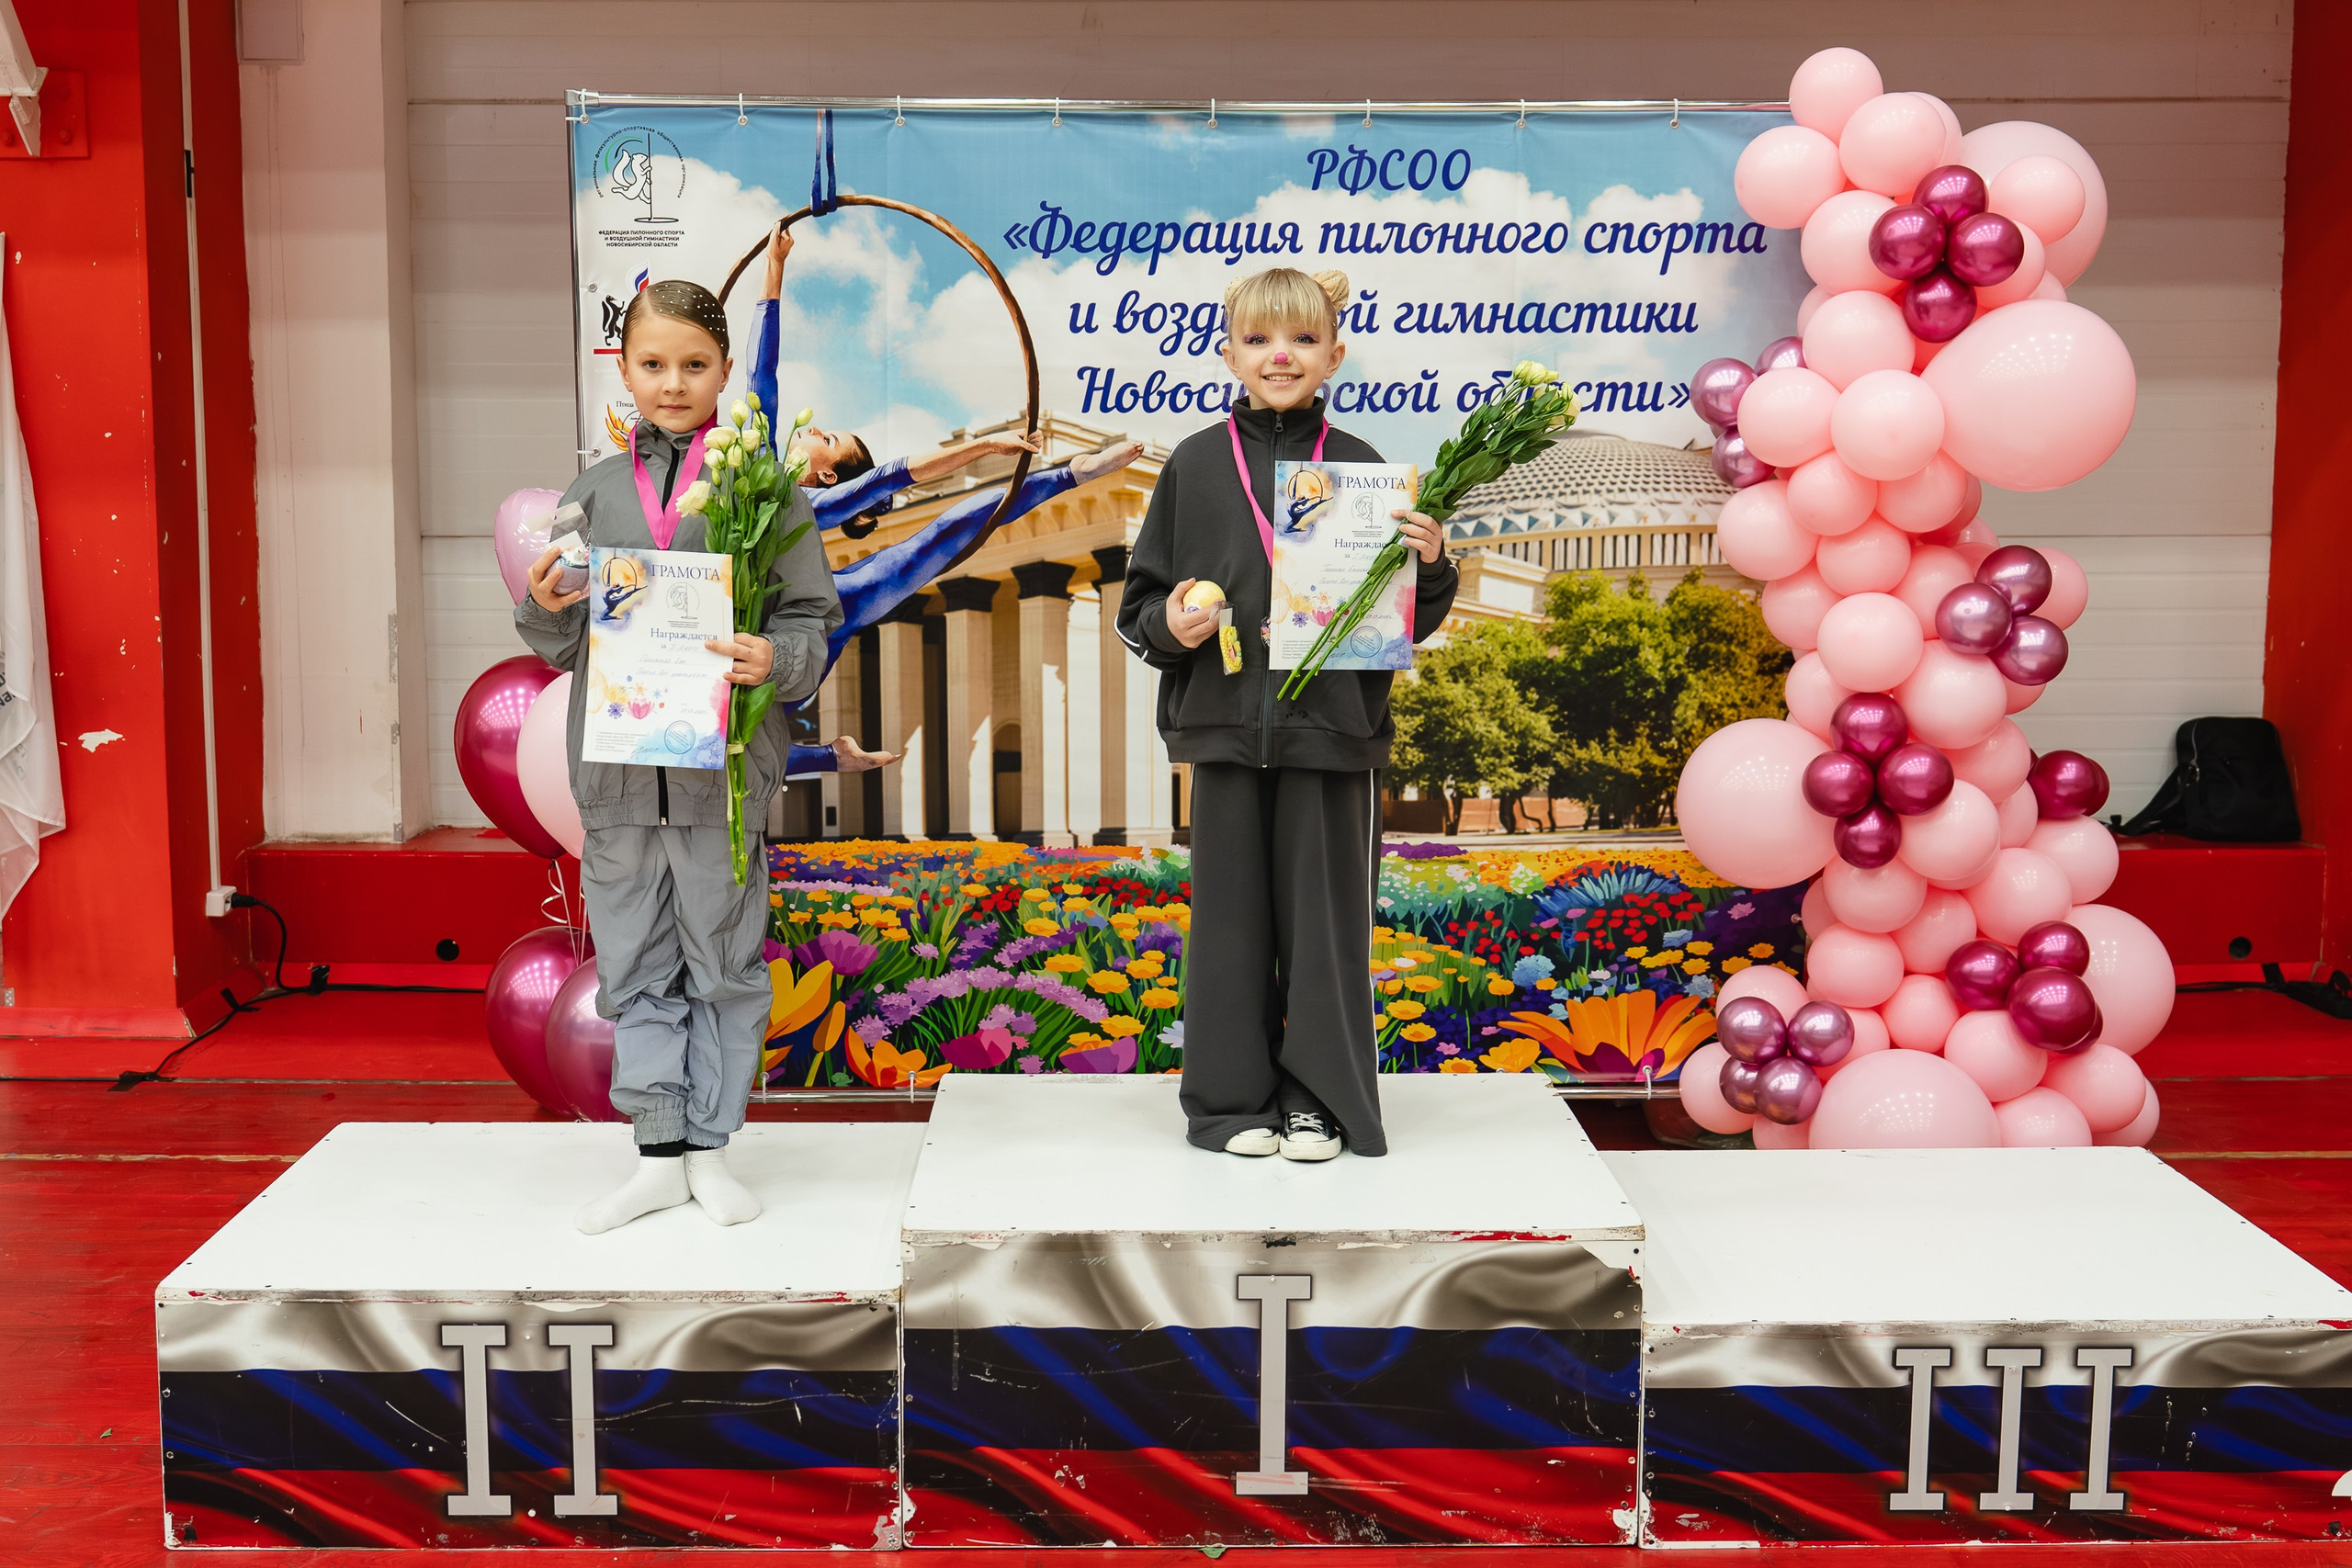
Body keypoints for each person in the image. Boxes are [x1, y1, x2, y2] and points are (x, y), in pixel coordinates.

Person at [516, 279, 842, 1235]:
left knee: (727, 962)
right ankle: (658, 1151)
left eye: (693, 366)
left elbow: (810, 617)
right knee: (634, 962)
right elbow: (564, 644)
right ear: (623, 369)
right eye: (652, 364)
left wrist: (771, 659)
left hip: (720, 776)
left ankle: (713, 1144)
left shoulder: (762, 490)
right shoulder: (592, 493)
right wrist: (549, 604)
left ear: (725, 374)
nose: (672, 383)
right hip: (618, 776)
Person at [1114, 267, 1457, 1163]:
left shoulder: (1363, 467)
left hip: (1331, 736)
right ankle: (1231, 1108)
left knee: (1325, 929)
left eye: (1302, 340)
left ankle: (1319, 1104)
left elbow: (1402, 621)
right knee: (1228, 931)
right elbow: (1139, 608)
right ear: (1227, 353)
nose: (1280, 357)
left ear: (1333, 355)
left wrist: (1431, 565)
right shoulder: (1192, 464)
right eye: (1261, 340)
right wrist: (1175, 623)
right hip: (1226, 730)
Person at [744, 224, 1141, 779]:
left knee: (927, 547)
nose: (815, 428)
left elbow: (890, 477)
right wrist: (774, 271)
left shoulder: (808, 500)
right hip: (744, 624)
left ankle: (1070, 474)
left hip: (815, 620)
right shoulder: (754, 469)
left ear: (826, 475)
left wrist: (986, 446)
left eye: (827, 436)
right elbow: (760, 373)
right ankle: (831, 757)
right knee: (730, 746)